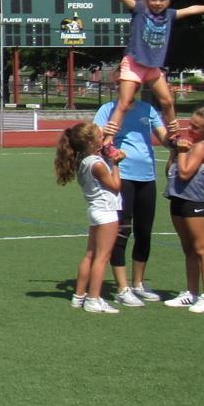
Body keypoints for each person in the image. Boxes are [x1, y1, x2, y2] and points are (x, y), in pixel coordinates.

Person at [90, 0, 204, 139]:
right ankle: (108, 142)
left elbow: (192, 9)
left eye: (162, 0)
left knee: (168, 102)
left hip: (152, 67)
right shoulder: (140, 10)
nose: (158, 3)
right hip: (134, 63)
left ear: (168, 1)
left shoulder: (169, 15)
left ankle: (173, 136)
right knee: (124, 104)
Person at [93, 69, 170, 307]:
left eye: (122, 82)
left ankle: (138, 284)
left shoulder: (148, 110)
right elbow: (95, 139)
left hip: (147, 176)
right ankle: (122, 287)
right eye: (116, 83)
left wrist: (178, 141)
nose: (119, 86)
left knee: (144, 232)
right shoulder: (108, 110)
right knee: (121, 231)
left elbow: (165, 137)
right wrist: (106, 138)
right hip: (122, 176)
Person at [163, 107, 204, 313]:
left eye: (195, 127)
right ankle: (191, 293)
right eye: (189, 124)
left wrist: (182, 151)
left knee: (201, 248)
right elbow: (171, 172)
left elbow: (184, 174)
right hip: (177, 200)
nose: (189, 129)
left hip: (193, 203)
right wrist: (175, 151)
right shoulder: (190, 146)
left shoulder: (201, 147)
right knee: (188, 248)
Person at [54, 122, 124, 314]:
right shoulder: (98, 164)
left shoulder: (85, 160)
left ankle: (79, 296)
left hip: (95, 211)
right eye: (99, 137)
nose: (103, 139)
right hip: (106, 212)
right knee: (103, 257)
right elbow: (116, 187)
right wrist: (116, 163)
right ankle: (93, 298)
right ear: (91, 143)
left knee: (91, 254)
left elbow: (101, 149)